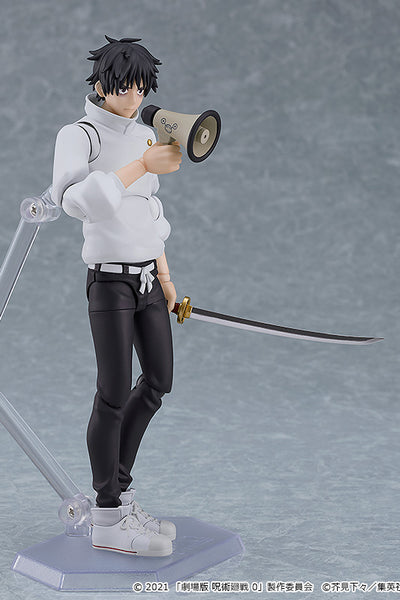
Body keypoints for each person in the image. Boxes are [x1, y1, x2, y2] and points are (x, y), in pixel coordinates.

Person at [52, 35, 182, 557]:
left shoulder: (145, 134)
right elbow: (76, 200)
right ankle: (106, 515)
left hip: (148, 278)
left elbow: (148, 214)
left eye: (141, 89)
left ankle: (119, 495)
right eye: (124, 87)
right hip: (109, 282)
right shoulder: (79, 135)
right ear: (102, 84)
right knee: (112, 392)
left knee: (158, 381)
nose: (133, 98)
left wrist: (167, 279)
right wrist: (142, 166)